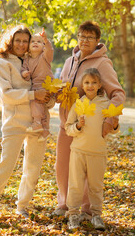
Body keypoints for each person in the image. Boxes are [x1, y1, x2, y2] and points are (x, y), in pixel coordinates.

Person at [0, 25, 52, 220]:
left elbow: (45, 89)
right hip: (14, 123)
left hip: (38, 123)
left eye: (26, 41)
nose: (22, 45)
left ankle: (22, 206)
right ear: (10, 41)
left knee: (32, 169)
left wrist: (48, 98)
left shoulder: (35, 60)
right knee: (5, 167)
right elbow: (5, 96)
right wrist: (33, 94)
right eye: (18, 41)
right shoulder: (3, 63)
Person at [54, 21, 126, 219]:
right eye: (81, 36)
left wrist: (110, 120)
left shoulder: (103, 63)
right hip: (67, 124)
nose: (84, 40)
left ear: (97, 41)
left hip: (89, 128)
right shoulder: (70, 61)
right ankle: (64, 204)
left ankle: (85, 209)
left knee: (83, 170)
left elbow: (117, 93)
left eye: (89, 37)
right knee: (62, 166)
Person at [65, 68, 119, 230]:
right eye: (87, 82)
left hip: (98, 152)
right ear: (82, 84)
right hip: (78, 151)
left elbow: (113, 129)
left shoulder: (106, 104)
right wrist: (78, 126)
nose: (90, 85)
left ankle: (96, 215)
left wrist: (115, 125)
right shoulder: (78, 104)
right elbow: (68, 128)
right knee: (75, 185)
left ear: (100, 85)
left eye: (94, 82)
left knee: (96, 186)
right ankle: (73, 215)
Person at [21, 29, 55, 141]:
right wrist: (24, 73)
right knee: (42, 106)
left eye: (39, 42)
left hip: (46, 84)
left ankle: (37, 122)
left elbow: (50, 50)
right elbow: (23, 69)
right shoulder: (26, 59)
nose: (36, 43)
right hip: (36, 85)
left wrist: (46, 39)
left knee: (35, 102)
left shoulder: (45, 57)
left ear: (43, 46)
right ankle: (45, 130)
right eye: (33, 41)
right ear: (28, 46)